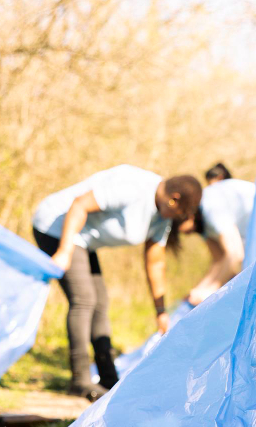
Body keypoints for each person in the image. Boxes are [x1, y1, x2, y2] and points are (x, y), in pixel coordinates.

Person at [33, 165, 202, 400]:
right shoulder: (133, 188)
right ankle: (80, 381)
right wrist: (63, 251)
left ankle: (108, 379)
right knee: (84, 300)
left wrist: (161, 311)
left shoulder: (161, 215)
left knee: (100, 303)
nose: (176, 222)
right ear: (174, 200)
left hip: (83, 240)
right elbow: (80, 204)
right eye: (180, 215)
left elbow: (155, 263)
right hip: (56, 227)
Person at [184, 165, 256, 305]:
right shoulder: (202, 223)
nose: (183, 234)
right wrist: (199, 290)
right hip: (252, 236)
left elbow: (235, 254)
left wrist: (208, 293)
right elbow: (219, 260)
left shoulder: (210, 208)